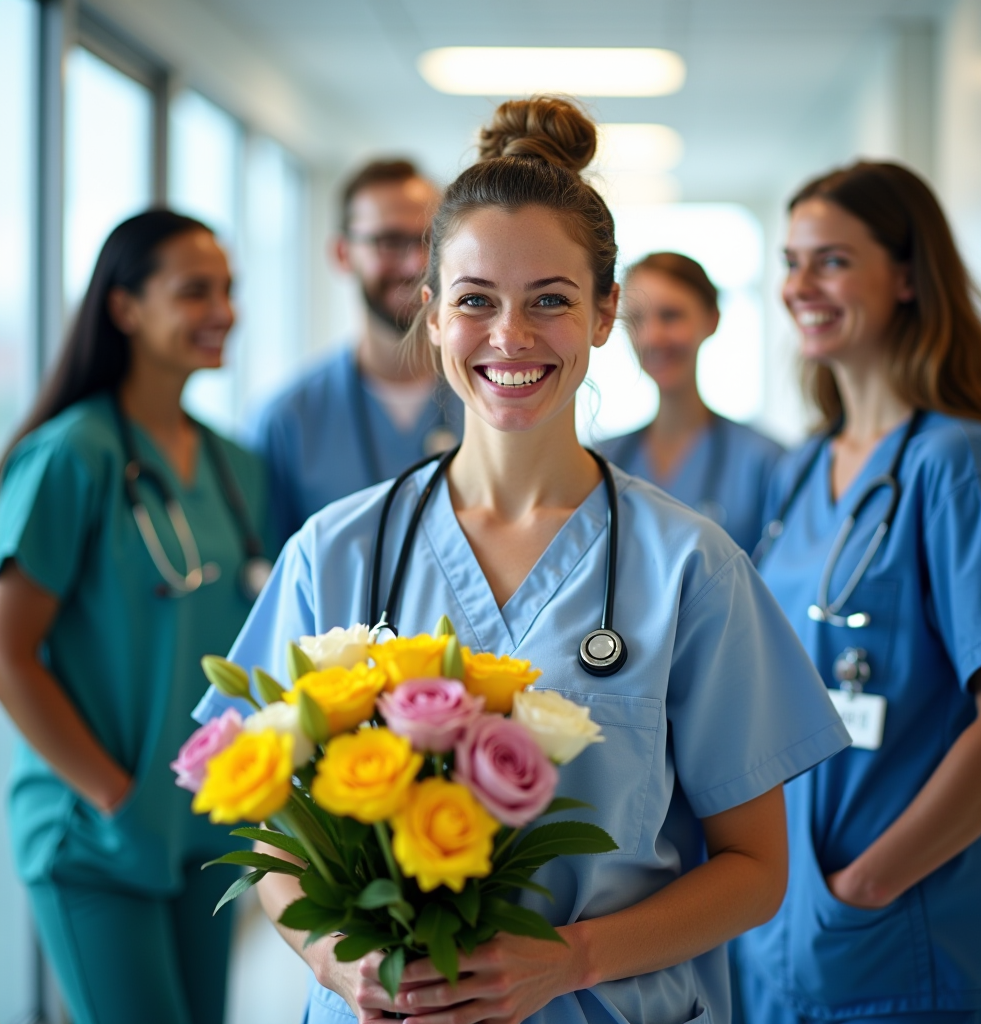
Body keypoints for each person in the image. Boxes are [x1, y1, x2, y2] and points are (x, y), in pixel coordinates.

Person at [196, 95, 849, 1024]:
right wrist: (338, 960)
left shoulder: (690, 567)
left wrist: (569, 959)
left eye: (551, 299)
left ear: (603, 314)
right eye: (475, 301)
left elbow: (754, 872)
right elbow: (272, 832)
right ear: (430, 314)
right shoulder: (334, 552)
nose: (511, 337)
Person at [733, 162, 981, 1024]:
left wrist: (868, 885)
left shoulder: (957, 464)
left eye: (831, 261)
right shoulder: (799, 471)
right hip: (781, 923)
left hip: (896, 929)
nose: (800, 286)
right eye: (791, 261)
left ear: (906, 275)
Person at [0, 211, 272, 1024]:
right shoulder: (70, 456)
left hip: (203, 826)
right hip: (97, 829)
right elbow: (9, 653)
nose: (222, 310)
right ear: (124, 307)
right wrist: (113, 797)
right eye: (195, 292)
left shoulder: (234, 466)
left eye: (227, 290)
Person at [250, 158, 462, 545]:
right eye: (390, 242)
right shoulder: (288, 421)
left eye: (431, 241)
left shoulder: (493, 398)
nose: (416, 263)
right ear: (343, 254)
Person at [600, 252, 783, 555]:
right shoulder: (603, 460)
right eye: (636, 319)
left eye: (670, 316)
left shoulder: (763, 462)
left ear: (712, 319)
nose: (652, 337)